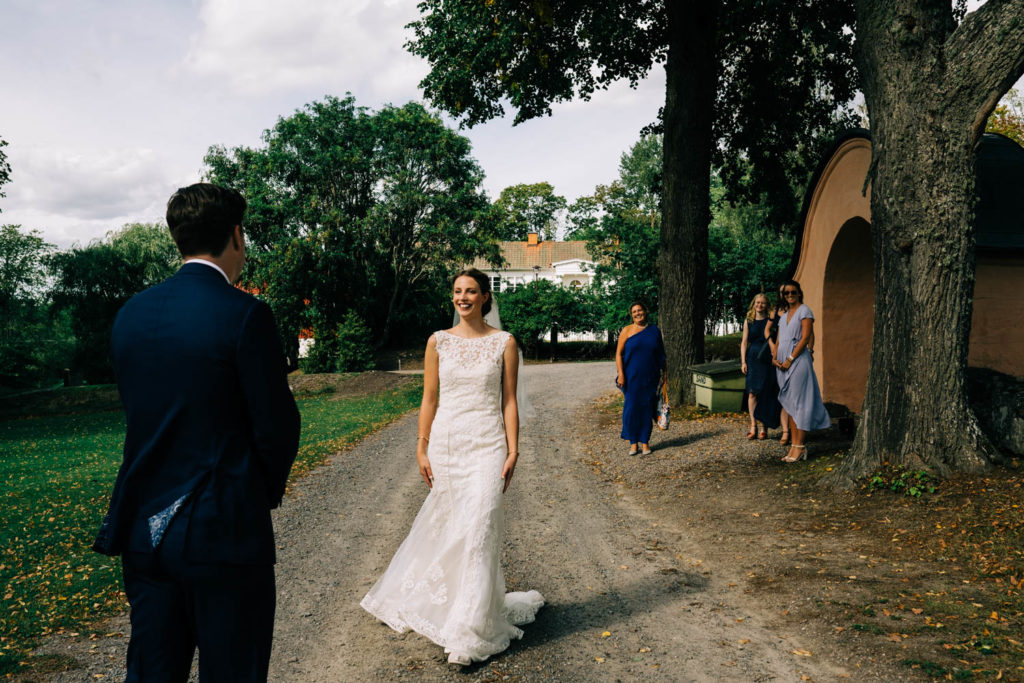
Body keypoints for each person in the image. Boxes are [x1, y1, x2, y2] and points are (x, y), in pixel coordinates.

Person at [92, 183, 301, 682]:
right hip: (222, 529)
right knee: (232, 670)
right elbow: (277, 426)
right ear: (236, 235)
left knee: (152, 671)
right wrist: (255, 493)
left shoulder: (130, 315)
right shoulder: (245, 314)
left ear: (178, 237)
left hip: (144, 527)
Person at [361, 268, 543, 666]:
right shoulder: (437, 342)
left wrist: (514, 450)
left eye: (471, 291)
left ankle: (469, 630)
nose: (463, 297)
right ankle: (450, 604)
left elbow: (508, 401)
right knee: (453, 526)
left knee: (480, 525)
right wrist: (421, 445)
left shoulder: (504, 343)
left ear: (484, 298)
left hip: (488, 444)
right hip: (447, 444)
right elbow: (429, 399)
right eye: (458, 291)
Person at [772, 280, 831, 462]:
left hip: (797, 361)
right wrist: (775, 356)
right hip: (781, 364)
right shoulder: (783, 316)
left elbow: (806, 337)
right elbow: (779, 340)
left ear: (799, 293)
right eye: (786, 293)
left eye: (793, 292)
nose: (790, 295)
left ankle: (800, 446)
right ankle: (794, 446)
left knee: (799, 403)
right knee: (789, 404)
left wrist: (790, 359)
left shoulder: (804, 311)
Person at [615, 302, 667, 456]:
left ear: (645, 311)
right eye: (634, 311)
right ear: (632, 315)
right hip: (631, 377)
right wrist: (621, 374)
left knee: (646, 409)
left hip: (650, 377)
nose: (637, 313)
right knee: (631, 409)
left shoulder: (654, 331)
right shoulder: (627, 330)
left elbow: (661, 355)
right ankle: (633, 443)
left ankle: (645, 442)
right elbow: (618, 354)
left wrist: (665, 374)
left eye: (640, 310)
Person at [740, 293, 779, 439]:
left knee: (766, 392)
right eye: (757, 302)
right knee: (752, 392)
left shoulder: (771, 320)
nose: (760, 305)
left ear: (766, 304)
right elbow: (744, 343)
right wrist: (743, 361)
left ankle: (764, 427)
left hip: (767, 358)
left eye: (762, 303)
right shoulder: (748, 320)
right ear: (753, 303)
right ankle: (753, 425)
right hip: (752, 359)